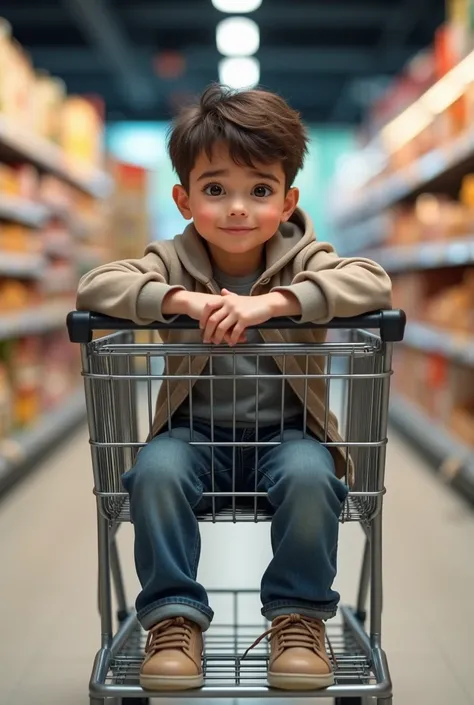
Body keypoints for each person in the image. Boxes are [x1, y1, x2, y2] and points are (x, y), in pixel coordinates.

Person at [76, 84, 392, 693]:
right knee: (153, 472)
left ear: (288, 198)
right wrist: (181, 299)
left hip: (289, 434)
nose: (238, 208)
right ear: (184, 198)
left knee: (312, 476)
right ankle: (173, 618)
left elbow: (371, 282)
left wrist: (277, 302)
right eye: (215, 189)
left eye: (260, 190)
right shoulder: (170, 260)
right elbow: (98, 284)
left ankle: (298, 617)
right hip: (191, 434)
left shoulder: (307, 259)